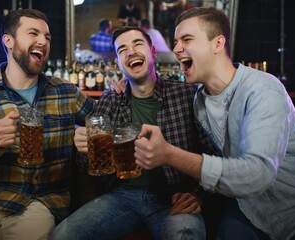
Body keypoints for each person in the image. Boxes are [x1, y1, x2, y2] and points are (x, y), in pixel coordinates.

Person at [134, 7, 295, 240]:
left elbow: (258, 174)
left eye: (186, 39)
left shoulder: (262, 89)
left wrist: (169, 154)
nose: (176, 48)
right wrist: (126, 81)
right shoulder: (199, 100)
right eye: (176, 41)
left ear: (218, 43)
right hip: (249, 210)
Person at [50, 26, 220, 240]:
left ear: (153, 52)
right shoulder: (110, 100)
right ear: (118, 63)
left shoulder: (187, 95)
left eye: (137, 44)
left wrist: (198, 194)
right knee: (60, 236)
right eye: (122, 50)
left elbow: (214, 152)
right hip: (121, 197)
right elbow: (89, 167)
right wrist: (83, 148)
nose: (130, 52)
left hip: (173, 198)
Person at [0, 9, 95, 240]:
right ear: (8, 41)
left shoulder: (65, 92)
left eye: (47, 37)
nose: (43, 41)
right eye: (33, 33)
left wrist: (126, 85)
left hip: (38, 202)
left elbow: (108, 118)